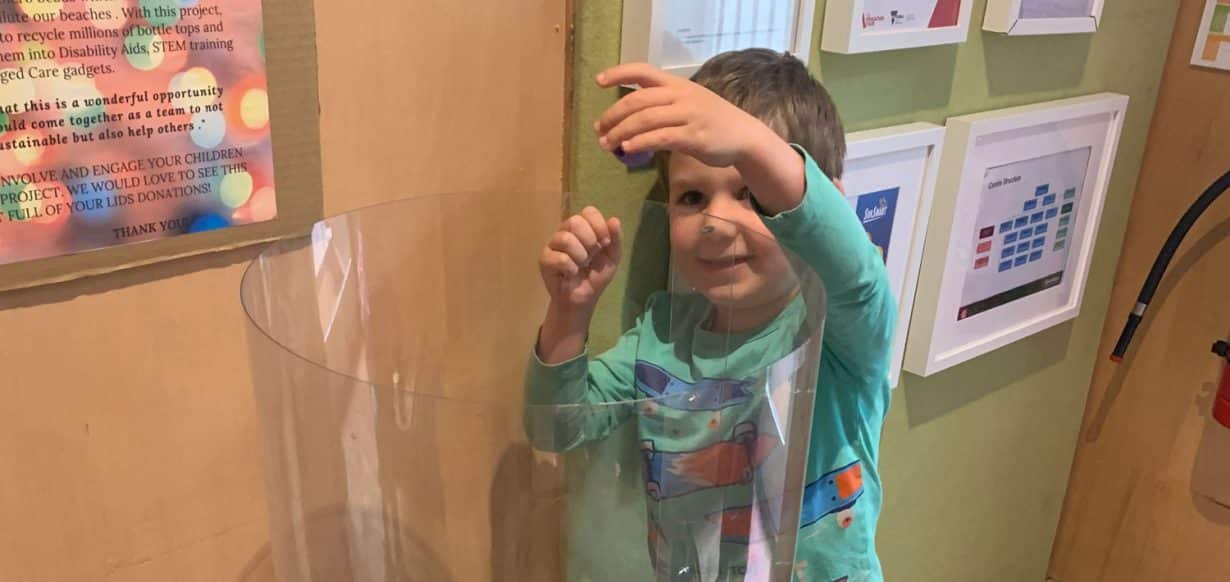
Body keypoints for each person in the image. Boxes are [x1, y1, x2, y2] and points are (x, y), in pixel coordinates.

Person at [525, 49, 895, 582]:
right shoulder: (659, 337)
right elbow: (554, 428)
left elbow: (856, 274)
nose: (716, 223)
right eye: (693, 196)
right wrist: (569, 312)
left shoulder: (835, 331)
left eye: (752, 195)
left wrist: (749, 141)